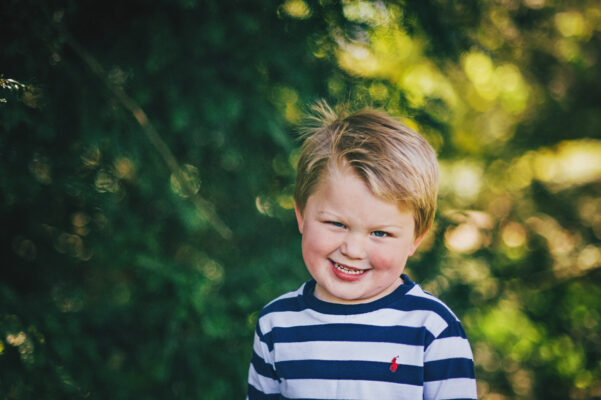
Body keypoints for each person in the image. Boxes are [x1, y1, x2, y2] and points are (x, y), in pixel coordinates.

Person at [246, 102, 477, 399]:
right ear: (301, 214)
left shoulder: (432, 329)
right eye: (336, 223)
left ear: (416, 238)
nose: (353, 250)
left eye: (380, 233)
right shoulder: (276, 325)